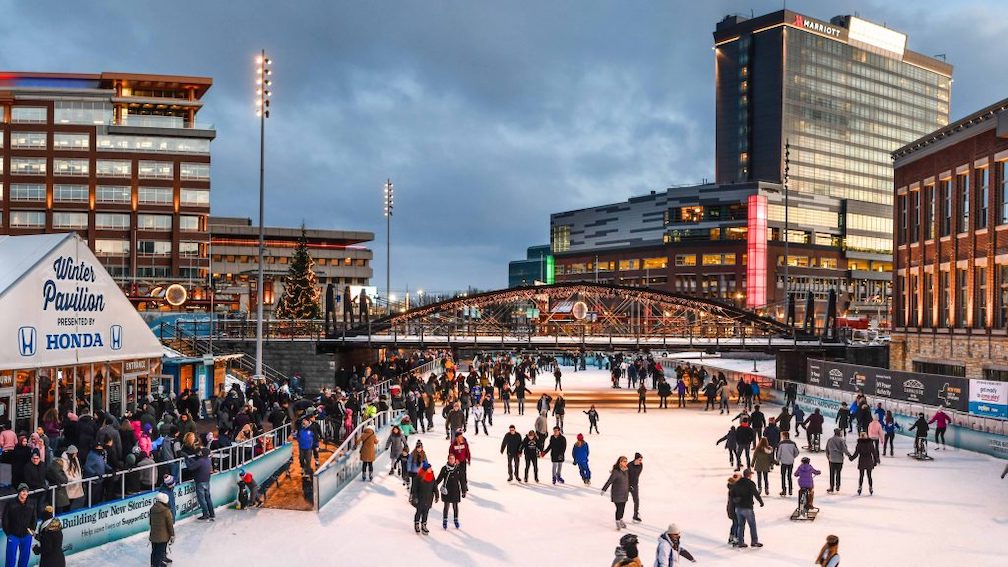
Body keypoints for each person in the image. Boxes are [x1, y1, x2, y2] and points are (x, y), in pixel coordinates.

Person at [728, 469, 764, 548]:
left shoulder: (737, 483)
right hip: (747, 507)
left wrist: (736, 501)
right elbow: (756, 494)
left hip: (738, 508)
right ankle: (754, 541)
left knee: (741, 525)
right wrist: (761, 502)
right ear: (749, 475)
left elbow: (732, 494)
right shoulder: (750, 483)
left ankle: (740, 542)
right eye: (751, 474)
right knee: (752, 525)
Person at [3, 484, 35, 567]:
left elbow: (34, 518)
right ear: (19, 492)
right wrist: (8, 533)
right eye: (23, 491)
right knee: (10, 559)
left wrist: (32, 529)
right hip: (13, 535)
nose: (25, 493)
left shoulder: (31, 503)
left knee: (24, 558)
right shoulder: (11, 503)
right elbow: (5, 519)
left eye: (27, 491)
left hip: (27, 535)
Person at [435, 454, 467, 529]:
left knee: (455, 506)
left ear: (455, 460)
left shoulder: (458, 469)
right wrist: (433, 486)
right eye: (450, 458)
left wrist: (464, 490)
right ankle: (445, 520)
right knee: (446, 506)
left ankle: (456, 519)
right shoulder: (444, 469)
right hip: (447, 490)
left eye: (453, 459)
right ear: (448, 459)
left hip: (455, 490)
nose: (451, 460)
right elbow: (439, 479)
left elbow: (462, 481)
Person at [601, 456, 630, 530]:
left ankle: (620, 520)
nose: (625, 463)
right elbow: (610, 481)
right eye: (624, 461)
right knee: (619, 508)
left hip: (624, 493)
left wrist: (630, 488)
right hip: (617, 493)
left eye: (626, 461)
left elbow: (627, 481)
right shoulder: (616, 471)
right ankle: (618, 522)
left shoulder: (626, 470)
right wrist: (604, 489)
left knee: (622, 508)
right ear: (620, 462)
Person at [410, 461, 438, 534]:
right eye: (429, 468)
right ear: (426, 469)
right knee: (419, 512)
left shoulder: (432, 476)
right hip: (420, 498)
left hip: (428, 498)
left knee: (426, 512)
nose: (431, 469)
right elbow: (414, 488)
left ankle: (424, 525)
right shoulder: (419, 477)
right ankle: (416, 524)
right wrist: (415, 497)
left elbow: (435, 486)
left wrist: (437, 495)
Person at [188, 447, 214, 521]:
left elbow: (191, 467)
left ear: (202, 453)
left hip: (200, 482)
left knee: (202, 499)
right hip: (207, 481)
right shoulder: (208, 460)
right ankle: (212, 513)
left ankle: (206, 514)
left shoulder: (201, 461)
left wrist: (186, 459)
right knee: (208, 498)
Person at [849, 430, 879, 495]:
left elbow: (856, 453)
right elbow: (874, 452)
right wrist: (875, 461)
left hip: (862, 460)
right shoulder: (870, 443)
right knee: (869, 476)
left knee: (861, 475)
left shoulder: (859, 444)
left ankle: (860, 487)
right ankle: (870, 487)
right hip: (869, 460)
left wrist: (851, 458)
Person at [149, 491, 174, 567]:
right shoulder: (166, 511)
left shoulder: (152, 509)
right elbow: (170, 525)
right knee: (160, 552)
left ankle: (154, 564)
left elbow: (150, 522)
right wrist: (172, 535)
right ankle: (157, 565)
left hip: (153, 535)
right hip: (163, 537)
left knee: (154, 550)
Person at [825, 428, 852, 493]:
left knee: (832, 474)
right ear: (839, 433)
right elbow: (844, 449)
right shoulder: (841, 440)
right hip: (839, 459)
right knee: (838, 473)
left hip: (832, 459)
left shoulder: (830, 440)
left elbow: (827, 449)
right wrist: (849, 455)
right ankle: (837, 486)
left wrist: (828, 457)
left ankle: (831, 487)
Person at [776, 431, 800, 496]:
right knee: (789, 476)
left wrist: (777, 460)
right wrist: (793, 457)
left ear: (784, 436)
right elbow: (797, 452)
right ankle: (790, 490)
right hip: (790, 461)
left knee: (783, 476)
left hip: (783, 461)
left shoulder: (781, 444)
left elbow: (779, 453)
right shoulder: (793, 443)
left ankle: (784, 490)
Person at [725, 473, 741, 546]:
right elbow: (736, 500)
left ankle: (732, 537)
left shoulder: (732, 488)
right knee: (737, 523)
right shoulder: (734, 489)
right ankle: (735, 538)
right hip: (734, 509)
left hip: (731, 509)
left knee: (735, 523)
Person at [628, 453, 644, 522]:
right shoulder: (629, 465)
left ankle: (635, 516)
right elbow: (626, 476)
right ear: (636, 459)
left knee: (636, 501)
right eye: (639, 460)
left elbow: (636, 476)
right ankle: (619, 517)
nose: (640, 461)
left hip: (634, 485)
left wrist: (633, 485)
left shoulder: (640, 465)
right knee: (622, 501)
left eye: (641, 460)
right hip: (627, 485)